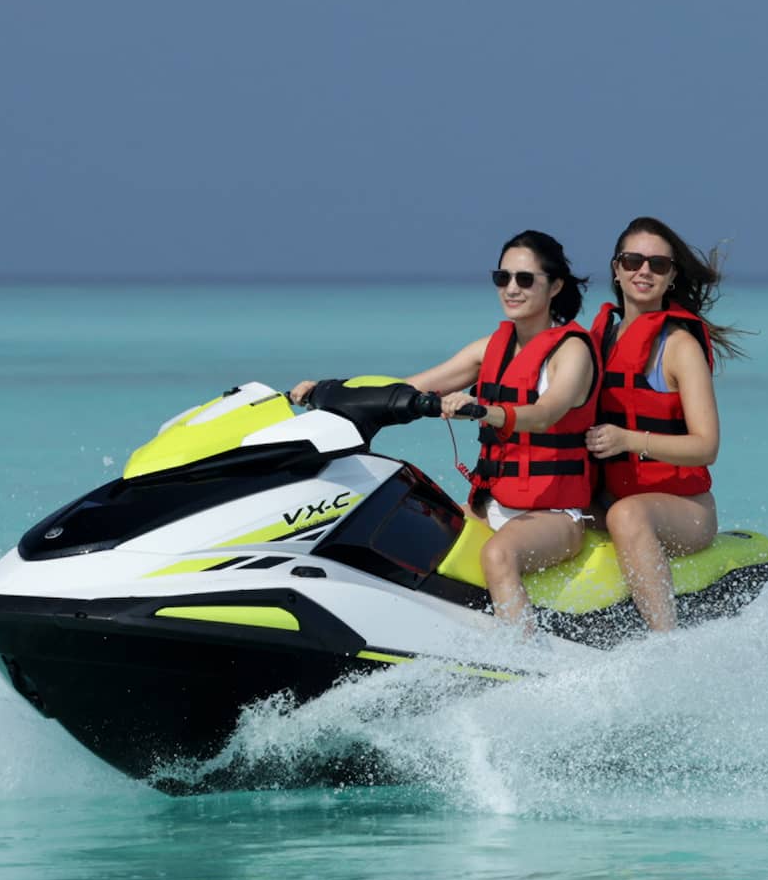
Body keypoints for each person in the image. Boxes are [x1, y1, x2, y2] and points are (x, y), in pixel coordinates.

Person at [291, 230, 598, 631]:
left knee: (497, 557)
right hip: (492, 505)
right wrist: (328, 391)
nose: (511, 289)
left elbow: (545, 413)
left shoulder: (572, 351)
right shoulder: (493, 348)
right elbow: (412, 386)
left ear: (555, 285)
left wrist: (485, 411)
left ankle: (523, 665)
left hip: (556, 515)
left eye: (525, 279)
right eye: (502, 278)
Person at [584, 216, 743, 631]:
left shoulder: (679, 347)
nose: (644, 271)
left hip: (684, 512)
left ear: (671, 277)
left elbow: (706, 446)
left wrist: (628, 439)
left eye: (658, 264)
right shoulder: (597, 340)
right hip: (607, 497)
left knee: (627, 516)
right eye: (633, 260)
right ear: (616, 269)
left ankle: (665, 642)